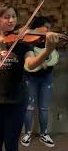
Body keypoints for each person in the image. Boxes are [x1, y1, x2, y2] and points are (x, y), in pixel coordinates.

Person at [0, 3, 59, 151]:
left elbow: (30, 64)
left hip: (16, 101)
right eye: (6, 17)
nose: (11, 20)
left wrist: (47, 51)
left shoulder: (22, 43)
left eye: (13, 17)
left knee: (11, 144)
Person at [20, 16, 55, 147]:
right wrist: (40, 63)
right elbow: (28, 62)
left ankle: (44, 134)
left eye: (50, 29)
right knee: (29, 107)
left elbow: (53, 57)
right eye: (46, 28)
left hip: (47, 78)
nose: (49, 31)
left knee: (44, 108)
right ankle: (27, 133)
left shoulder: (50, 41)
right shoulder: (29, 42)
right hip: (31, 78)